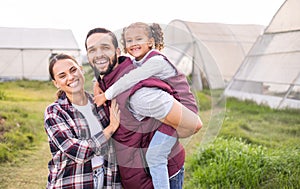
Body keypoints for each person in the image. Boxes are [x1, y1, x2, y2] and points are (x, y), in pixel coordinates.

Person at [85, 27, 202, 189]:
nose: (98, 54)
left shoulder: (141, 96)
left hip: (157, 179)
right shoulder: (108, 79)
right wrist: (96, 81)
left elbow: (194, 124)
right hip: (135, 177)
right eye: (92, 50)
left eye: (105, 47)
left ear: (118, 52)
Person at [44, 53, 121, 189]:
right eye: (62, 76)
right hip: (72, 183)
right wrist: (110, 128)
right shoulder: (55, 112)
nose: (70, 77)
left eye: (73, 70)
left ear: (81, 69)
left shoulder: (99, 104)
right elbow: (77, 151)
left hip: (105, 179)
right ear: (56, 83)